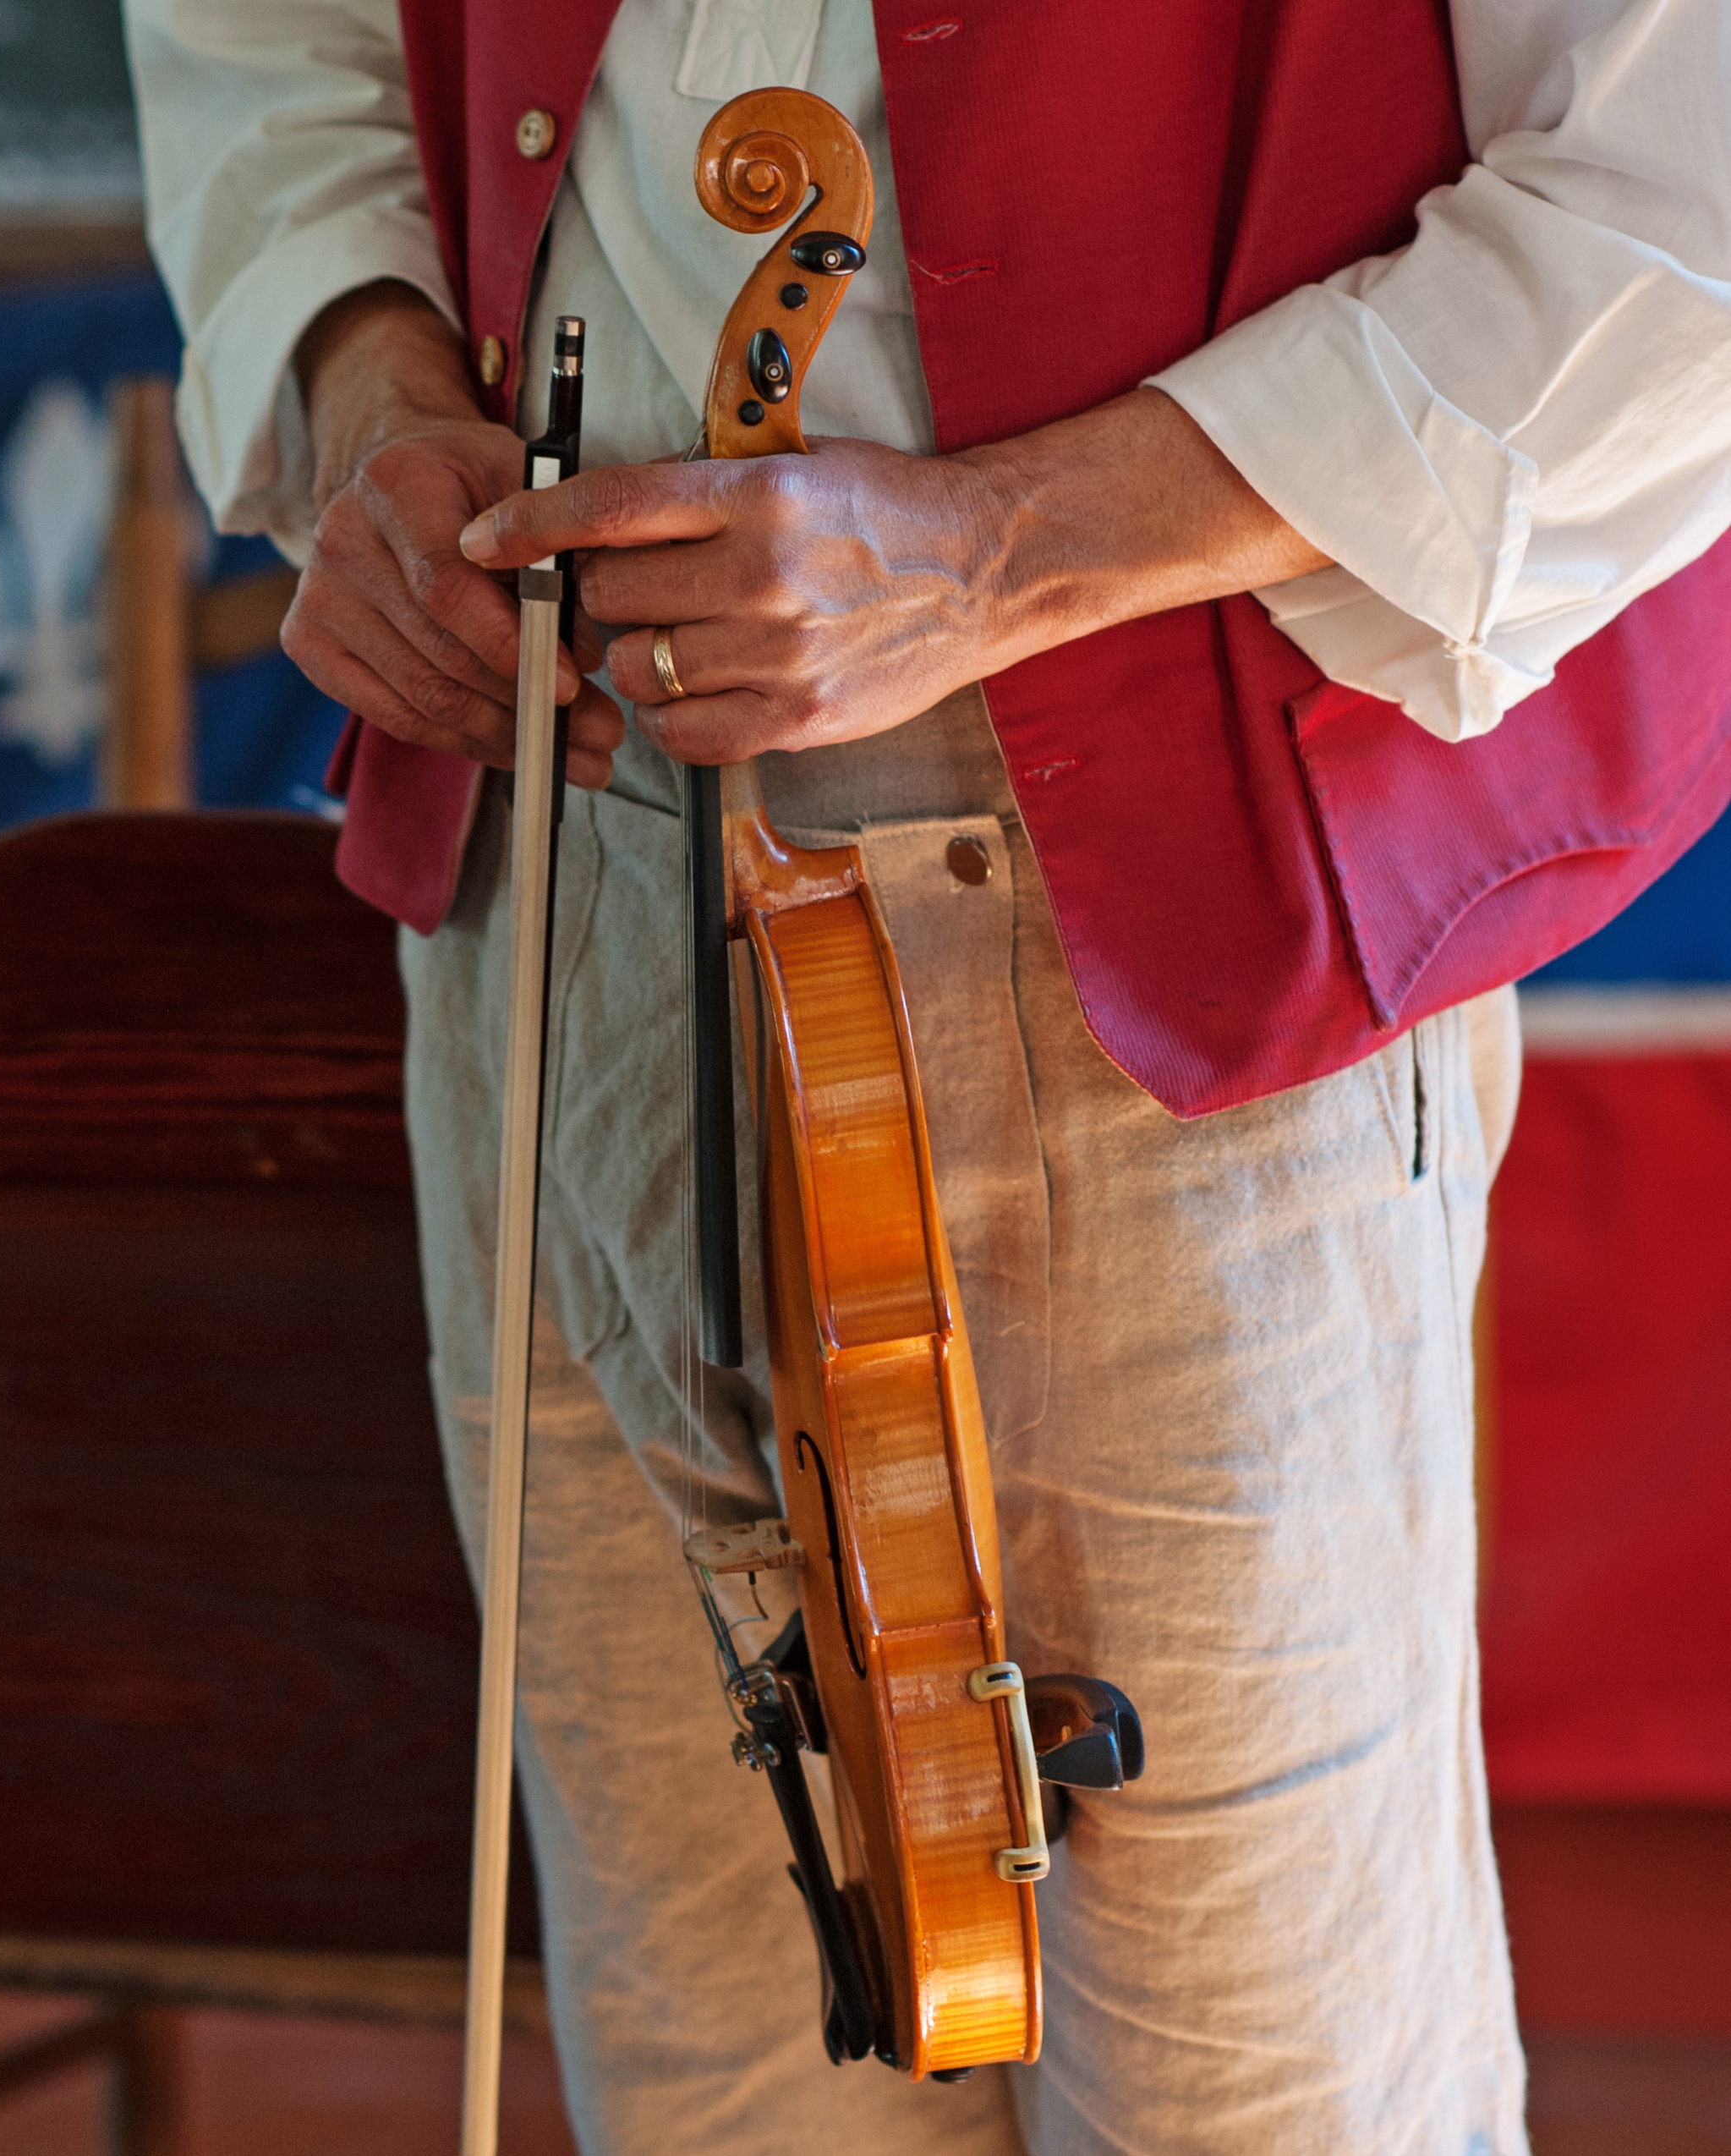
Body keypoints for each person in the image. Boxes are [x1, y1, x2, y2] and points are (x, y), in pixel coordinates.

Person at [123, 2, 1731, 2150]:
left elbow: (1681, 219)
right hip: (556, 821)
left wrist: (997, 543)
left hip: (1161, 883)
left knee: (1253, 2098)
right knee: (713, 2084)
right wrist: (365, 381)